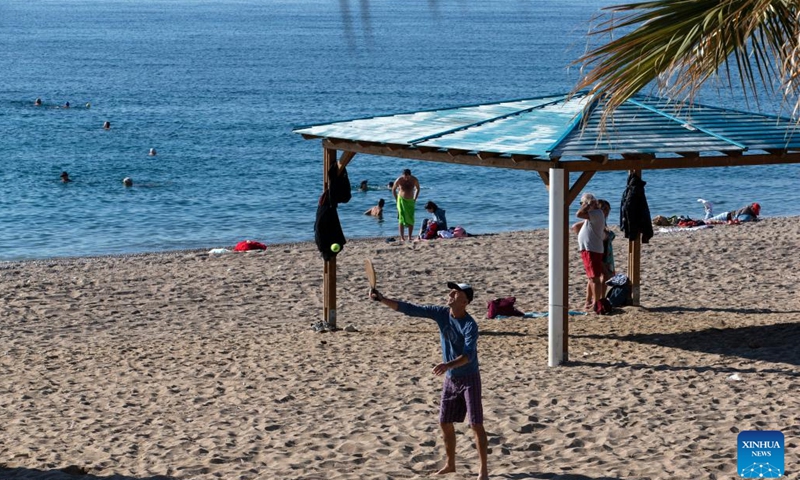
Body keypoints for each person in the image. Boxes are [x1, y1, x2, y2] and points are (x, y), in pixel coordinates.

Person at [369, 282, 488, 480]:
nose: (450, 293)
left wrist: (447, 365)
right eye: (451, 290)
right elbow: (410, 309)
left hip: (469, 378)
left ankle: (483, 470)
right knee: (444, 422)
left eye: (456, 292)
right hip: (451, 379)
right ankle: (450, 464)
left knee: (476, 424)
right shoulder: (441, 313)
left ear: (465, 301)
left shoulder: (470, 325)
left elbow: (468, 355)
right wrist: (381, 299)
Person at [576, 193, 606, 312]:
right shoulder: (592, 215)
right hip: (588, 249)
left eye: (582, 203)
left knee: (595, 278)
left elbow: (578, 214)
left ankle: (596, 302)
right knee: (591, 277)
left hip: (592, 249)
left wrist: (586, 204)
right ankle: (590, 301)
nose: (582, 205)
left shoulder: (596, 213)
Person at [391, 169, 420, 241]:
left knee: (411, 218)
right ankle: (402, 237)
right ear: (403, 175)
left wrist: (415, 198)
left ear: (410, 175)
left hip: (410, 201)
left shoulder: (414, 180)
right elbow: (393, 189)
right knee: (401, 217)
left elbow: (418, 189)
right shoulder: (399, 180)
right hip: (401, 200)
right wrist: (397, 199)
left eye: (408, 177)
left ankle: (409, 236)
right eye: (405, 177)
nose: (406, 178)